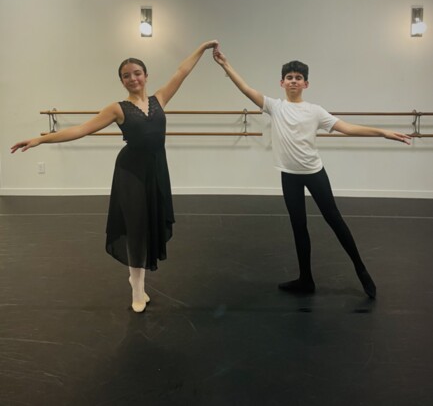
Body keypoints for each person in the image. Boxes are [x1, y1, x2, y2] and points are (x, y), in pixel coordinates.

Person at [11, 40, 219, 312]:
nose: (132, 78)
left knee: (149, 226)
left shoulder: (160, 99)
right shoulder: (117, 108)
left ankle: (136, 277)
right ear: (122, 81)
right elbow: (81, 130)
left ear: (145, 76)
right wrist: (41, 140)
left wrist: (202, 48)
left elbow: (182, 71)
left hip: (157, 170)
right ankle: (137, 289)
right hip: (130, 173)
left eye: (137, 73)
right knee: (136, 228)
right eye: (126, 75)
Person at [213, 50, 411, 299]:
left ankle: (361, 269)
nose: (293, 80)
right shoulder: (275, 107)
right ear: (282, 83)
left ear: (305, 84)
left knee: (334, 220)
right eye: (289, 77)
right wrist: (225, 64)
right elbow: (245, 88)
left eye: (298, 77)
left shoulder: (315, 111)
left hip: (314, 173)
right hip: (289, 175)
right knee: (299, 227)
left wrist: (382, 132)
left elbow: (347, 128)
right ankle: (306, 279)